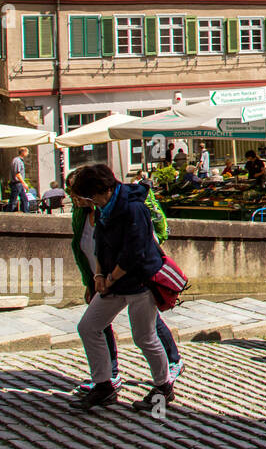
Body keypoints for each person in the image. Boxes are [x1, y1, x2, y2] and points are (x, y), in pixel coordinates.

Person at [66, 168, 182, 397]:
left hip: (139, 281)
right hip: (112, 282)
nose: (91, 202)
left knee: (144, 336)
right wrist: (98, 276)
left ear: (104, 190)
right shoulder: (102, 208)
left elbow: (135, 251)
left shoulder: (133, 207)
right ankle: (104, 384)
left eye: (91, 197)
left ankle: (163, 386)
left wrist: (110, 278)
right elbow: (99, 243)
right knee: (89, 326)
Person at [9, 146, 31, 212]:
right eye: (27, 152)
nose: (28, 154)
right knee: (13, 200)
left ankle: (26, 213)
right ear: (23, 152)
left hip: (19, 184)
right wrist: (24, 183)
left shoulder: (19, 160)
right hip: (17, 183)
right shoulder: (17, 161)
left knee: (24, 199)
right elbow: (17, 174)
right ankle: (8, 213)